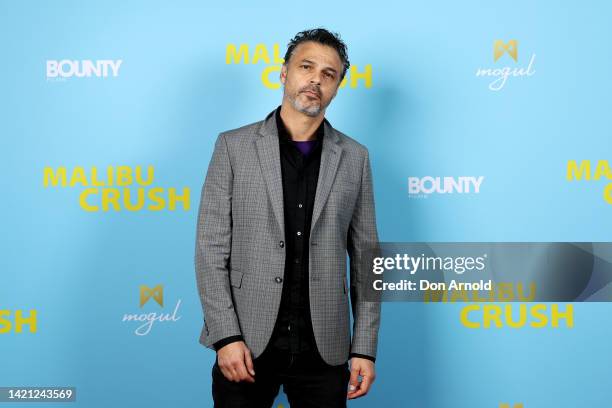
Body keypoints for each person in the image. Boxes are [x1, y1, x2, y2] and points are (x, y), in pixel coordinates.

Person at [195, 27, 381, 407]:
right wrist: (226, 337)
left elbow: (368, 260)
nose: (316, 79)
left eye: (329, 74)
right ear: (284, 73)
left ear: (337, 87)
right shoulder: (232, 147)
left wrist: (364, 348)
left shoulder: (355, 158)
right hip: (245, 343)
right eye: (306, 66)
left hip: (324, 351)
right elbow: (210, 250)